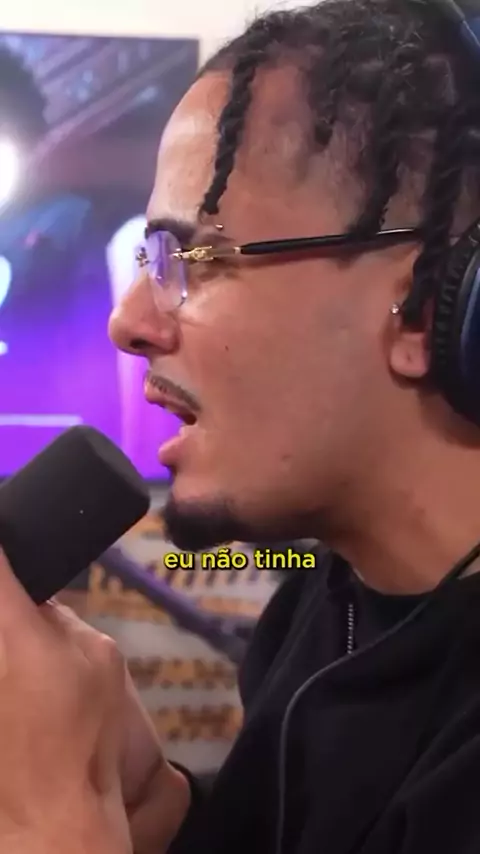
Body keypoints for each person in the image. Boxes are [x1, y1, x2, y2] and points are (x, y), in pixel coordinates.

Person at [4, 0, 480, 852]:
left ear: (418, 309)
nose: (127, 322)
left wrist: (52, 822)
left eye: (193, 259)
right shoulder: (322, 608)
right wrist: (153, 807)